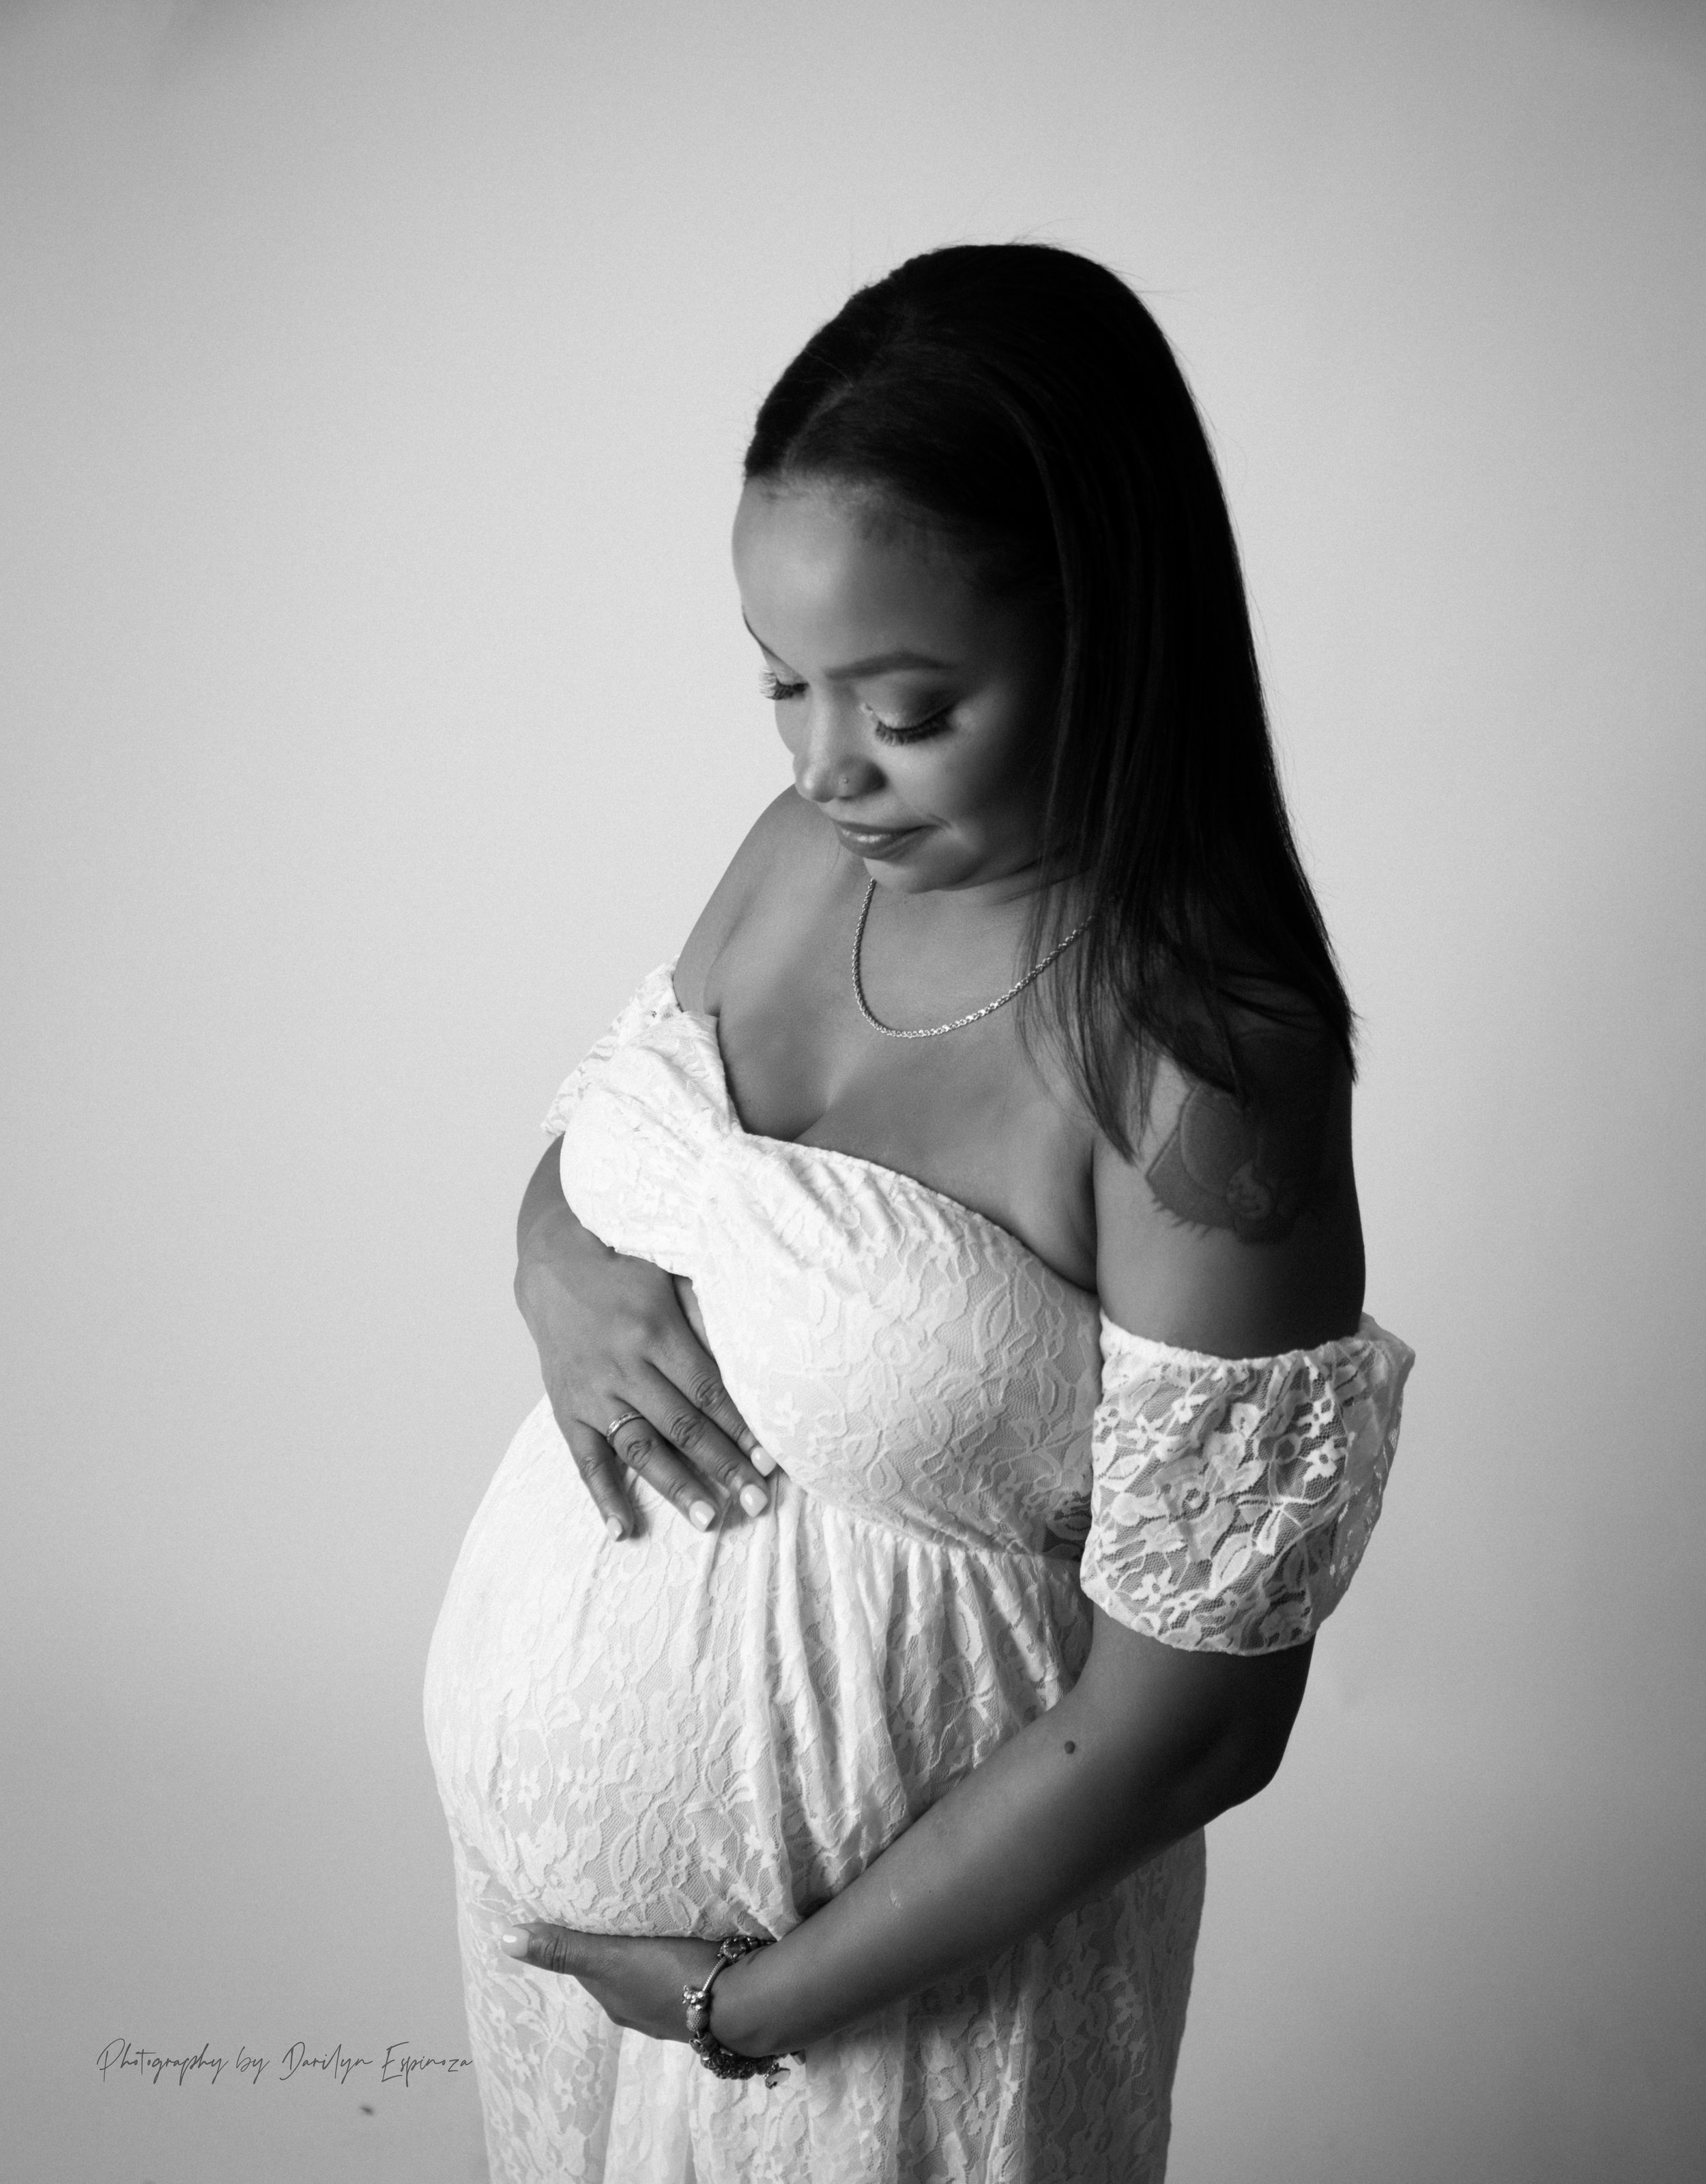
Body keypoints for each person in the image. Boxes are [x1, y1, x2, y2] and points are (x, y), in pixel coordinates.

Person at [423, 241, 1414, 2184]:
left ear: (1105, 627)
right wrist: (555, 1262)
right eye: (783, 682)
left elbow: (1195, 1721)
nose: (820, 763)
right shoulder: (802, 852)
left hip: (883, 2015)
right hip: (569, 1973)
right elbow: (609, 1146)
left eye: (909, 702)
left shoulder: (1196, 1061)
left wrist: (749, 2005)